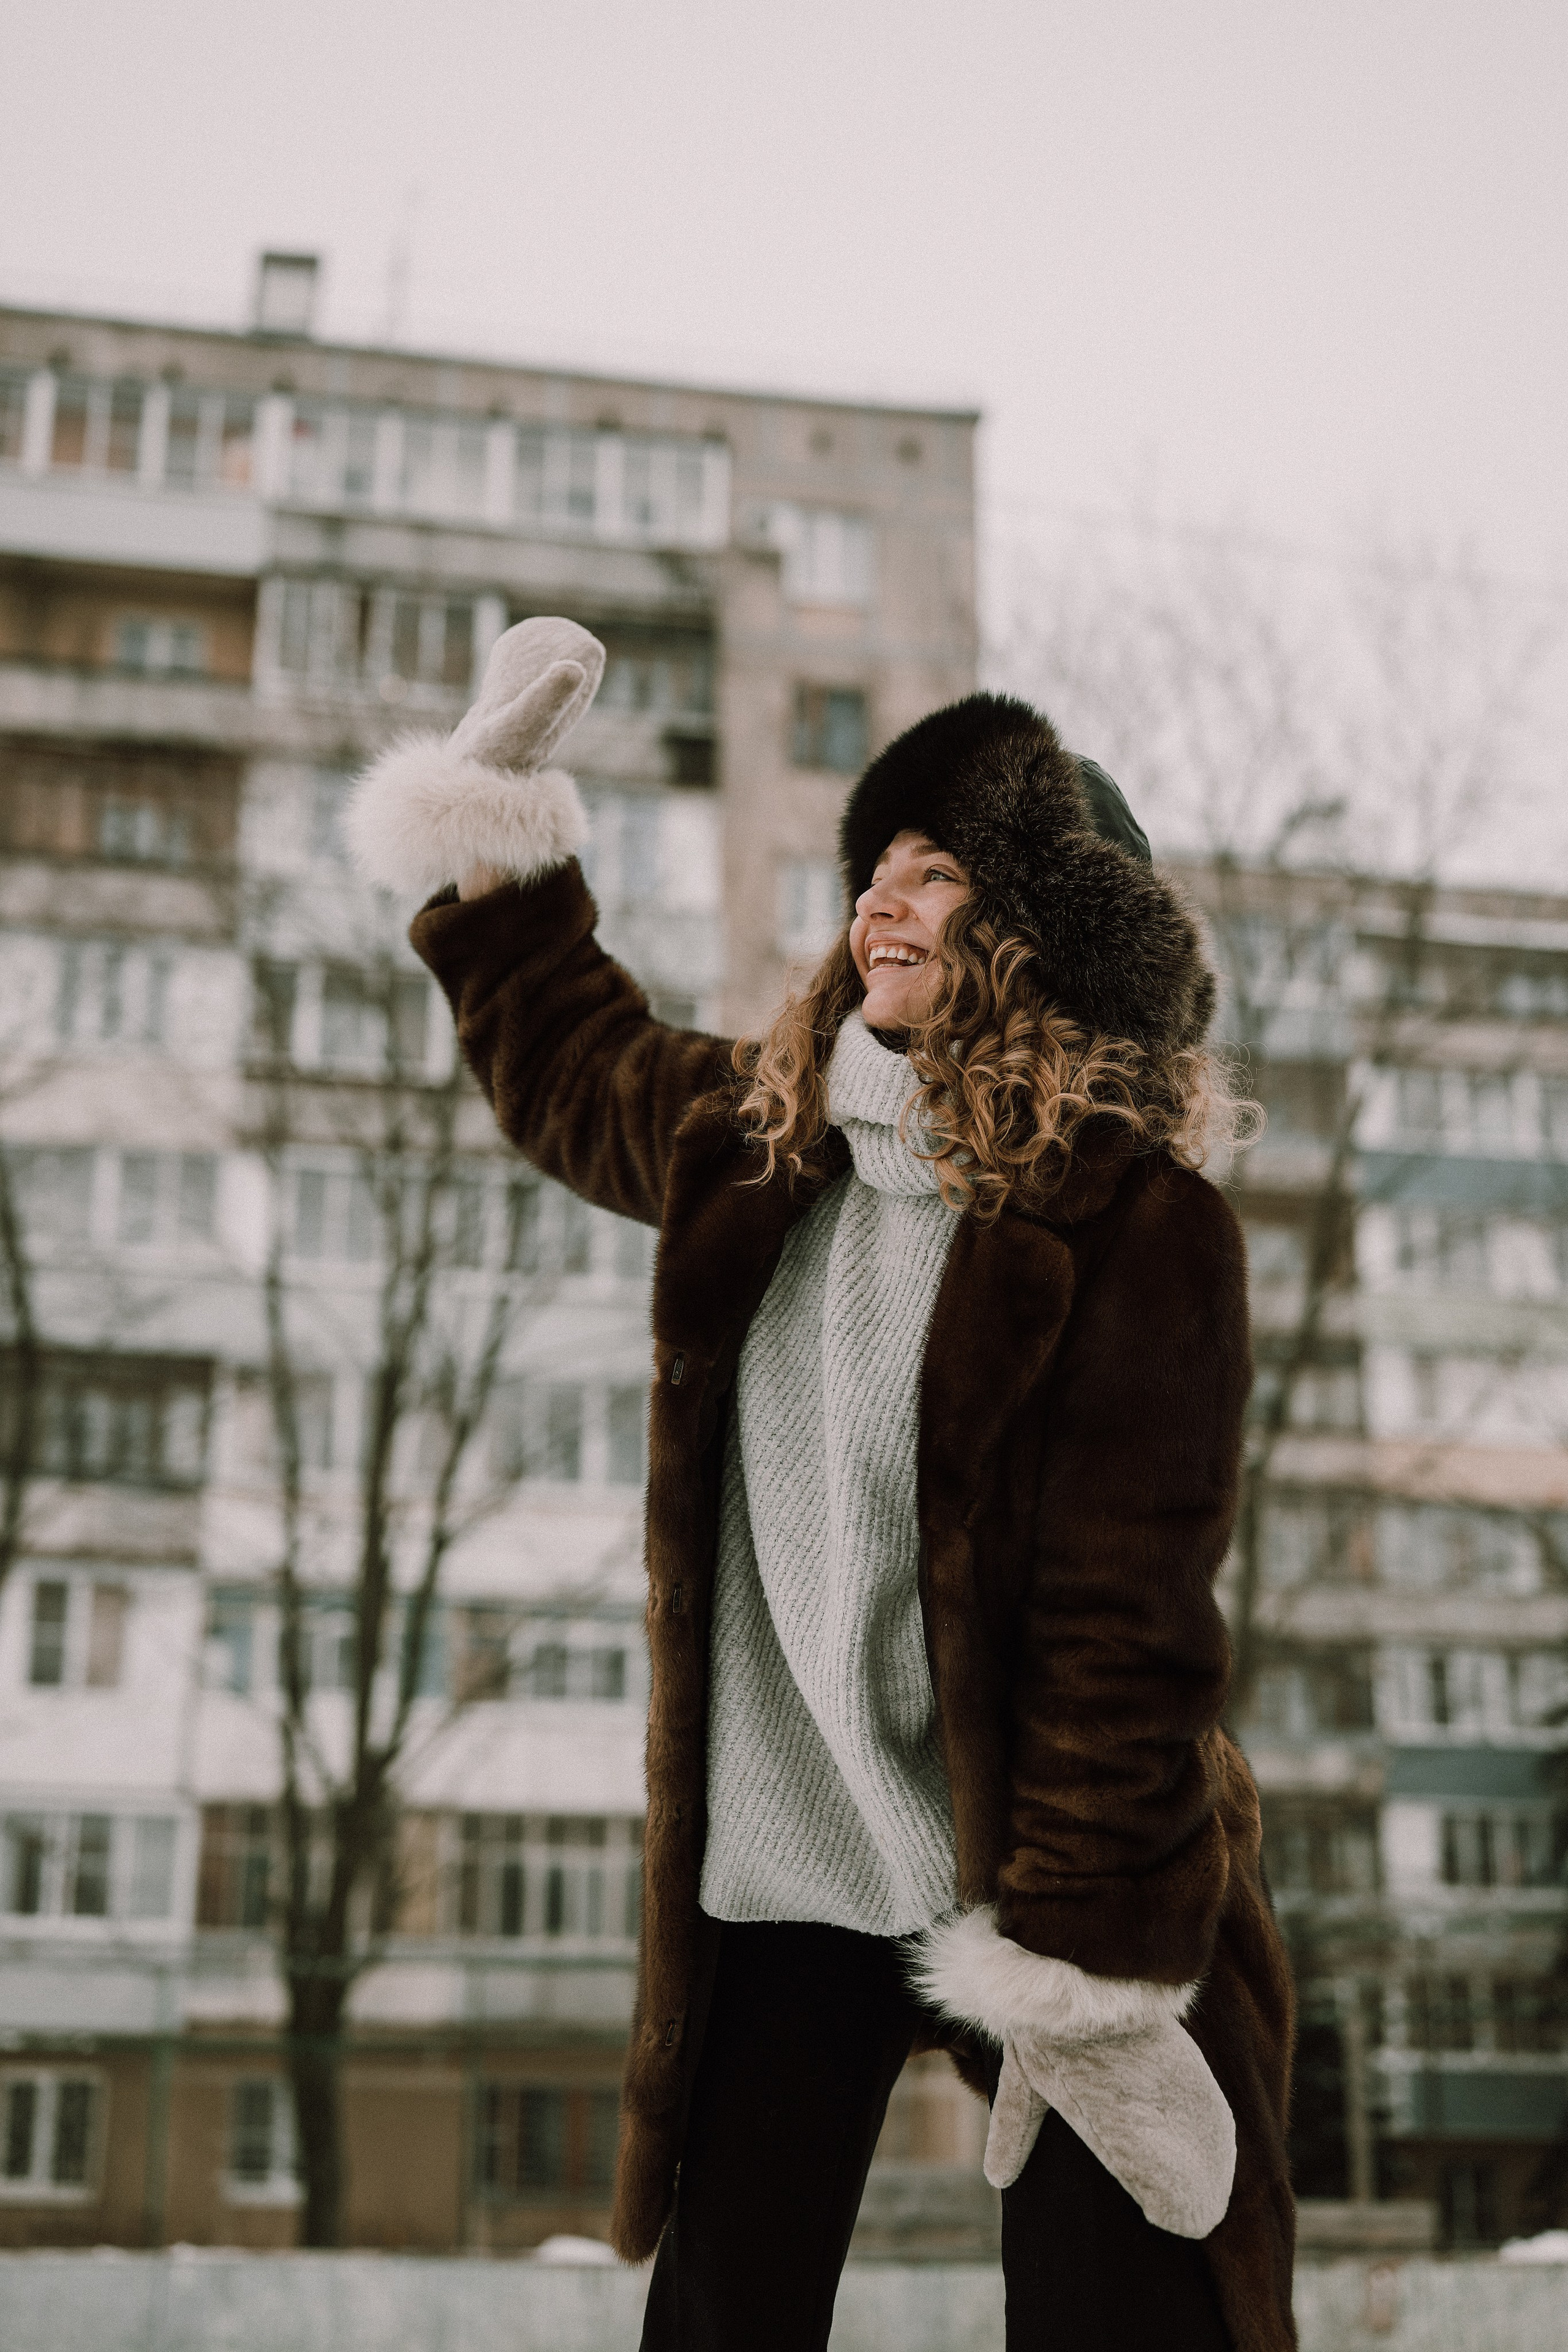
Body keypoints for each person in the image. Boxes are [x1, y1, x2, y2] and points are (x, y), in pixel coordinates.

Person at [347, 619, 1297, 2352]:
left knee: (1126, 2311)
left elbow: (1125, 1615)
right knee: (728, 2317)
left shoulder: (1137, 1231)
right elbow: (567, 1058)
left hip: (1049, 1857)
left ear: (1039, 937)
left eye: (939, 875)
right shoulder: (759, 1135)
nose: (882, 898)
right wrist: (490, 830)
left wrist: (1087, 1984)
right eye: (880, 865)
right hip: (795, 1854)